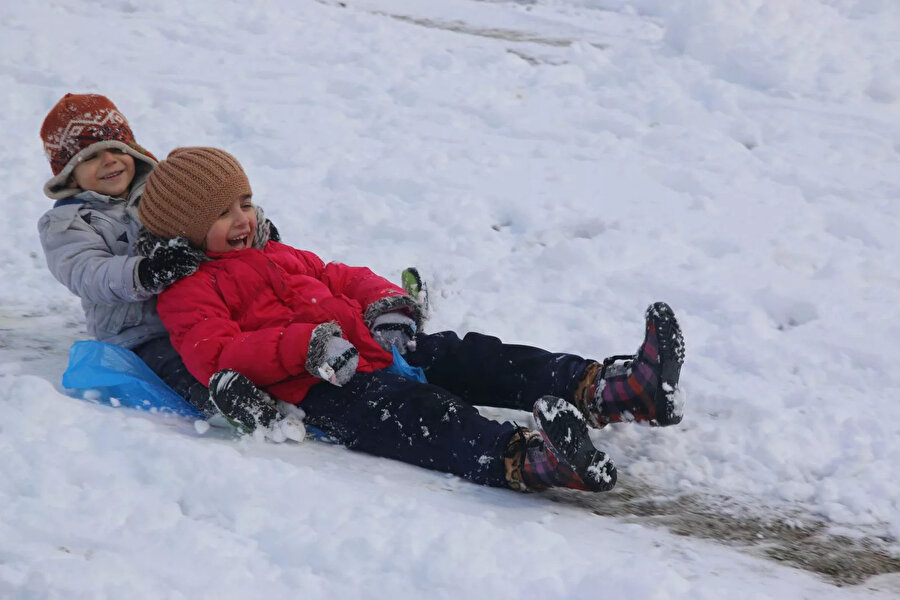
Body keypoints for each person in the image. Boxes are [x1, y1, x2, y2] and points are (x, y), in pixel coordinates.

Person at [137, 147, 686, 494]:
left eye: (246, 202)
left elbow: (340, 275)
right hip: (324, 387)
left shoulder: (277, 251)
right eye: (222, 213)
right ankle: (530, 461)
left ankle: (614, 390)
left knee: (477, 354)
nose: (243, 219)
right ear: (185, 230)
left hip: (377, 348)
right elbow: (216, 356)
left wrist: (388, 306)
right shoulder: (187, 291)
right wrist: (306, 346)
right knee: (427, 417)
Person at [36, 94, 273, 415]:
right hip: (140, 331)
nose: (110, 160)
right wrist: (145, 272)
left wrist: (252, 229)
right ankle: (225, 402)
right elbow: (86, 272)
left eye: (118, 148)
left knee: (247, 337)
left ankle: (279, 381)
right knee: (175, 362)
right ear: (68, 173)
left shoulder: (162, 191)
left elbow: (215, 211)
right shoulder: (68, 222)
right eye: (91, 156)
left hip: (204, 308)